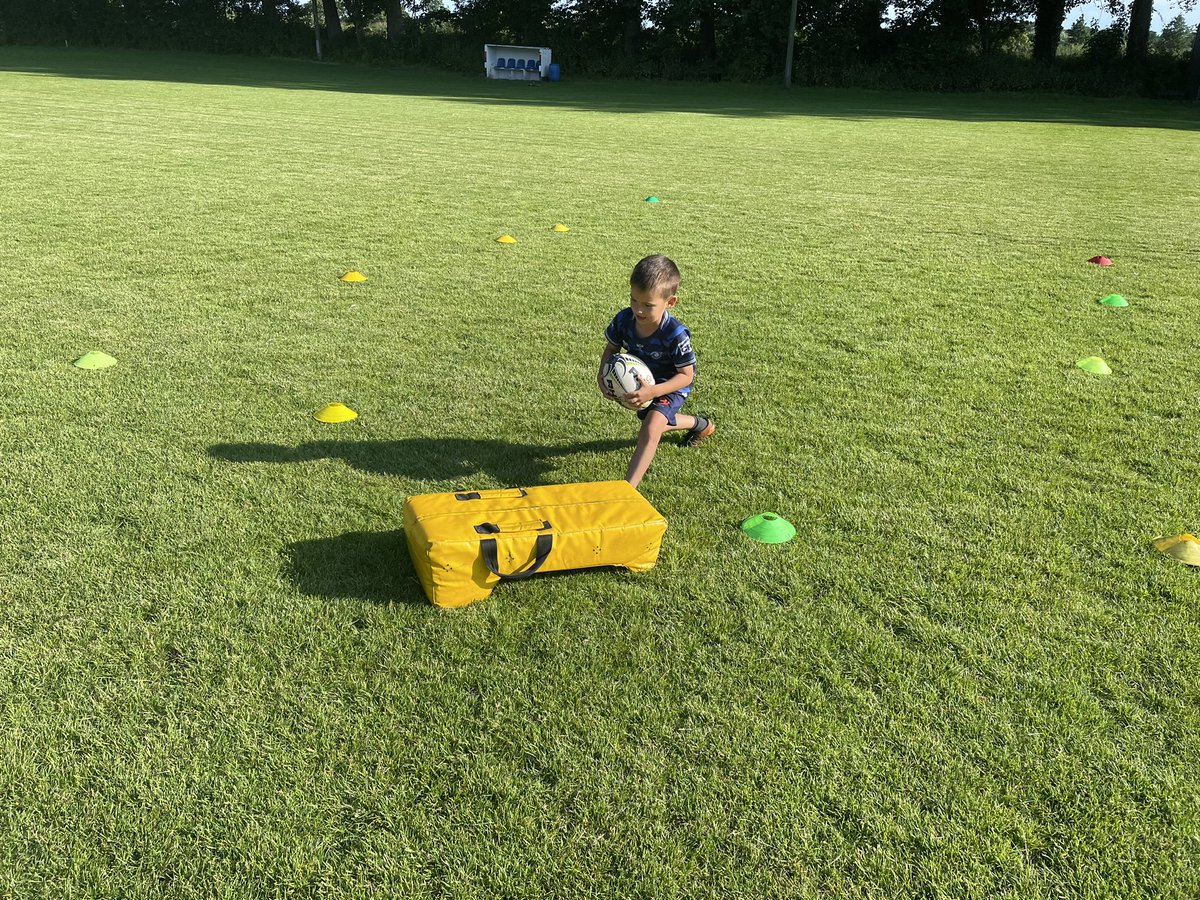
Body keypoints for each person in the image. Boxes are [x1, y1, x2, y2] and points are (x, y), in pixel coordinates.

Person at [598, 255, 715, 488]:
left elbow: (686, 375)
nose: (638, 310)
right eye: (634, 300)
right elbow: (611, 348)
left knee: (651, 429)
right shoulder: (624, 319)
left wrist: (653, 391)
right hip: (644, 382)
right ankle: (701, 425)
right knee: (654, 421)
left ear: (670, 302)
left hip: (671, 384)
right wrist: (602, 376)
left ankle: (628, 490)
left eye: (648, 305)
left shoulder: (675, 334)